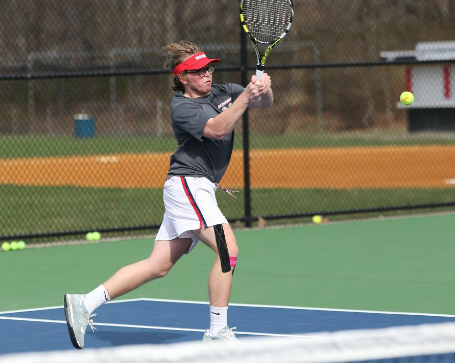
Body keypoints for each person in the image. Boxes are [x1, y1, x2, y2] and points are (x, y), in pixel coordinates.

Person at [63, 40, 273, 349]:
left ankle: (84, 303)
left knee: (158, 265)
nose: (207, 74)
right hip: (188, 185)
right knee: (228, 250)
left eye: (209, 68)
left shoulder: (223, 91)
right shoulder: (183, 106)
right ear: (183, 77)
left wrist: (262, 88)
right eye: (198, 71)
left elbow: (263, 103)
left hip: (197, 188)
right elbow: (216, 129)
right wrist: (244, 98)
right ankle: (217, 332)